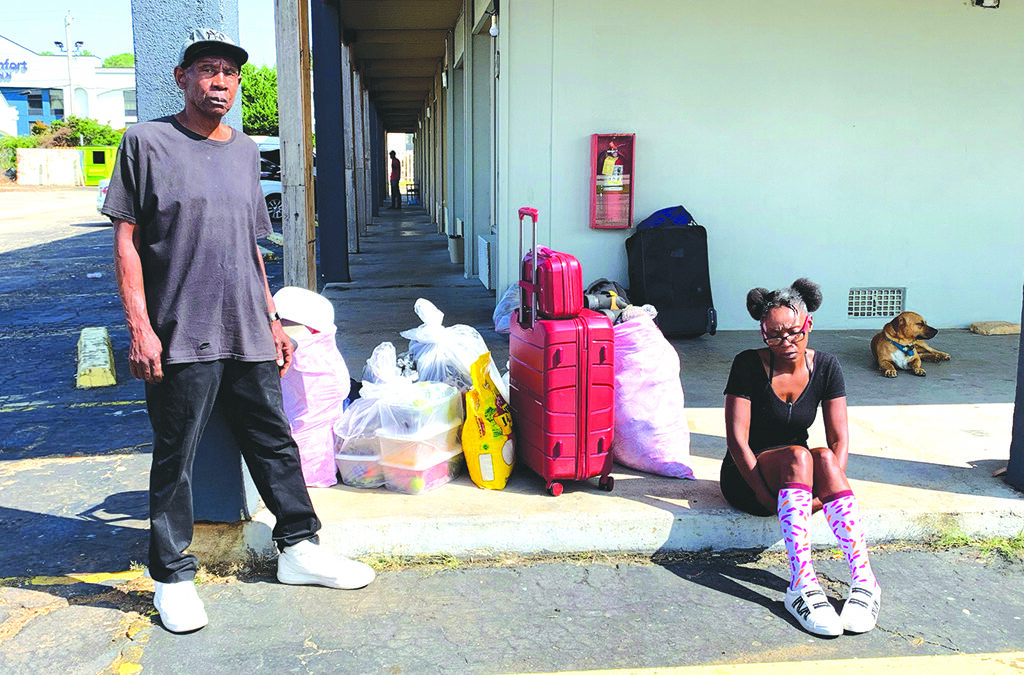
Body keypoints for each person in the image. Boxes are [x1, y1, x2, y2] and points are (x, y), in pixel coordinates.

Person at [103, 28, 374, 634]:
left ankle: (300, 550)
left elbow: (252, 245)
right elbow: (125, 243)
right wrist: (140, 328)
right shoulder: (144, 143)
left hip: (249, 326)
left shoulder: (246, 150)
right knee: (176, 456)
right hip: (178, 331)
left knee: (274, 441)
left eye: (228, 72)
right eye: (205, 70)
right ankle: (171, 577)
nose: (219, 81)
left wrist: (275, 319)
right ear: (181, 79)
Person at [721, 278, 881, 637]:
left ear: (808, 324)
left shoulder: (826, 366)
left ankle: (865, 580)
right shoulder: (747, 364)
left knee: (822, 456)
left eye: (794, 332)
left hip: (799, 479)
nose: (786, 343)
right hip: (748, 478)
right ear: (762, 332)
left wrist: (823, 493)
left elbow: (839, 439)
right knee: (800, 455)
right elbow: (737, 440)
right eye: (773, 336)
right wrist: (766, 496)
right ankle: (802, 585)